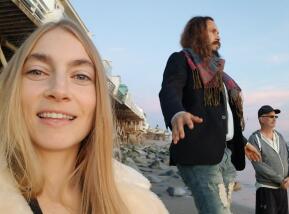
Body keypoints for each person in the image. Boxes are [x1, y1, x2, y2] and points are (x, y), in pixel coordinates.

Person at [0, 19, 168, 214]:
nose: (59, 90)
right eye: (37, 71)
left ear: (98, 102)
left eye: (81, 76)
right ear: (12, 89)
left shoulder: (139, 206)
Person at [159, 16, 261, 214]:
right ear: (197, 33)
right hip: (199, 153)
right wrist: (177, 112)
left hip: (226, 155)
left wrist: (242, 141)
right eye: (212, 30)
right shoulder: (181, 60)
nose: (218, 34)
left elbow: (224, 117)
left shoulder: (218, 73)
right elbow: (169, 90)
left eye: (218, 31)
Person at [248, 105, 289, 214]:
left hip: (282, 189)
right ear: (261, 119)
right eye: (270, 116)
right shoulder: (254, 139)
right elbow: (259, 166)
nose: (274, 118)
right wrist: (280, 180)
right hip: (266, 189)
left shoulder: (280, 136)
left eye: (275, 116)